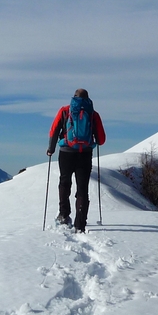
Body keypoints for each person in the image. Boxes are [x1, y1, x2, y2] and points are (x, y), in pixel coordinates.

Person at [47, 88, 106, 232]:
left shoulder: (65, 111)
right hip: (85, 154)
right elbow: (101, 139)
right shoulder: (93, 113)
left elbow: (54, 130)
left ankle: (63, 215)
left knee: (64, 182)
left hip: (66, 153)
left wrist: (51, 148)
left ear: (73, 97)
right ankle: (80, 223)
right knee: (82, 188)